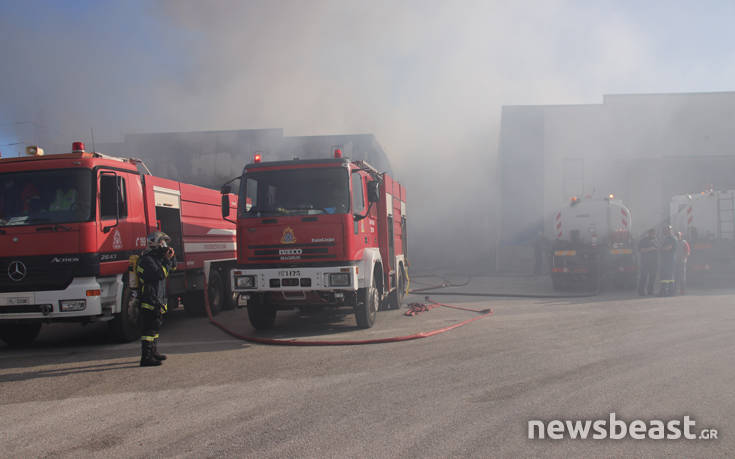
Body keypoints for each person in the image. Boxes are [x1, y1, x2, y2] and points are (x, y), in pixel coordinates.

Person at [136, 231, 176, 367]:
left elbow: (172, 268)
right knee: (149, 330)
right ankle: (146, 358)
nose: (164, 246)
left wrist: (170, 258)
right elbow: (159, 274)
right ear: (154, 244)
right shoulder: (147, 260)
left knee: (155, 327)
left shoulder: (156, 259)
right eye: (162, 243)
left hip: (156, 298)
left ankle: (153, 352)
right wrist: (166, 260)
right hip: (149, 300)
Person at [638, 228, 658, 296]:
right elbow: (641, 250)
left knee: (653, 277)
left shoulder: (656, 240)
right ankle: (641, 291)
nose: (653, 235)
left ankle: (650, 291)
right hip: (645, 262)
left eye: (654, 233)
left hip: (654, 262)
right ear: (648, 233)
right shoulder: (643, 241)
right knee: (644, 276)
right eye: (652, 233)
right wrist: (650, 249)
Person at [658, 225, 677, 296]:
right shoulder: (666, 238)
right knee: (667, 276)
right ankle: (669, 291)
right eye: (665, 230)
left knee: (666, 276)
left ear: (670, 230)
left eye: (667, 230)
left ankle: (664, 292)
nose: (665, 231)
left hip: (669, 260)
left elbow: (669, 247)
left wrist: (661, 248)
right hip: (666, 260)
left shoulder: (672, 239)